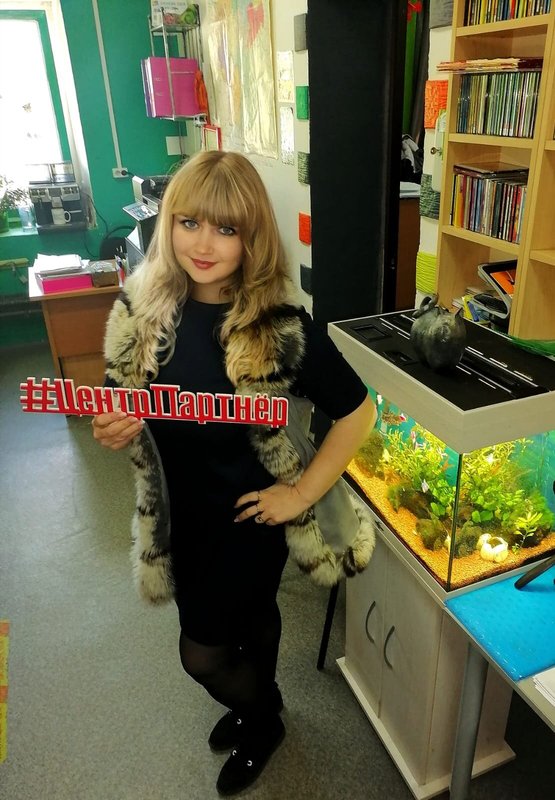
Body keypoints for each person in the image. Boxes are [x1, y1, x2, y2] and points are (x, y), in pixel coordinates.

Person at [92, 150, 376, 796]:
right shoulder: (141, 311)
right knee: (242, 627)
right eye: (189, 222)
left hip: (249, 520)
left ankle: (262, 717)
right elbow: (119, 403)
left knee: (202, 654)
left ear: (252, 238)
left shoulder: (278, 329)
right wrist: (113, 426)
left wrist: (300, 492)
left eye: (226, 229)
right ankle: (258, 703)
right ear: (168, 221)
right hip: (180, 516)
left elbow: (358, 413)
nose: (203, 244)